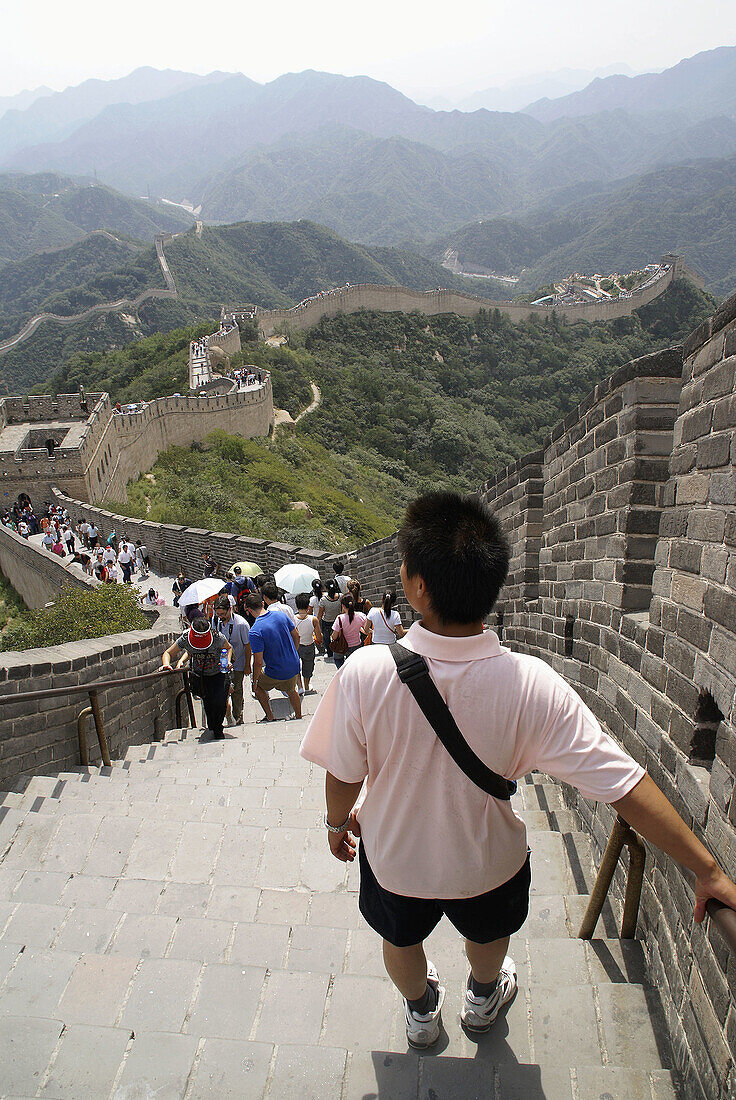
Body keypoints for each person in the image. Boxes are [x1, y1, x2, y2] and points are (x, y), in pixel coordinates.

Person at [299, 491, 736, 1050]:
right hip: (487, 864)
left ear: (416, 586)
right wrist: (706, 869)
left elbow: (343, 774)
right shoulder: (532, 683)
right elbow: (622, 784)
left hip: (395, 861)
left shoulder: (364, 673)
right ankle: (482, 1002)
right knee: (488, 936)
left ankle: (421, 1013)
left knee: (400, 939)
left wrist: (338, 825)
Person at [161, 616, 233, 739]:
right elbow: (168, 653)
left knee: (220, 702)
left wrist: (227, 660)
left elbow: (228, 647)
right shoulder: (185, 639)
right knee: (208, 703)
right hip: (201, 677)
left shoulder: (217, 637)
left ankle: (218, 728)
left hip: (218, 674)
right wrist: (166, 664)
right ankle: (213, 726)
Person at [246, 592, 302, 722]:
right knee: (291, 689)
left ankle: (270, 716)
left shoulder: (255, 631)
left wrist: (254, 681)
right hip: (293, 665)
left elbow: (258, 662)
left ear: (248, 610)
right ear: (262, 603)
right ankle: (299, 715)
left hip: (276, 670)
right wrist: (293, 651)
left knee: (258, 687)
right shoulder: (281, 616)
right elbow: (296, 636)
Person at [211, 593, 252, 725]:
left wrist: (247, 665)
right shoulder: (215, 621)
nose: (221, 617)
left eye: (223, 614)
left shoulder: (241, 624)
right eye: (218, 614)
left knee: (237, 691)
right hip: (220, 663)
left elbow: (247, 645)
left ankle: (238, 716)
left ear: (230, 609)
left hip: (238, 663)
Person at [295, 591, 322, 693]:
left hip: (296, 646)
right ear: (307, 605)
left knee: (296, 666)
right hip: (309, 646)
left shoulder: (292, 619)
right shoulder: (313, 619)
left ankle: (300, 686)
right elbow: (319, 637)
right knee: (308, 666)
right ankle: (307, 685)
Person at [331, 594, 367, 669]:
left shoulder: (340, 618)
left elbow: (334, 636)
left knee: (337, 659)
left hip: (342, 646)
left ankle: (342, 672)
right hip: (356, 645)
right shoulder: (361, 616)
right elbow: (366, 630)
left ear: (343, 606)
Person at [317, 581, 342, 660]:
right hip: (338, 620)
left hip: (327, 621)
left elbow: (320, 613)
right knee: (338, 637)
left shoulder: (323, 600)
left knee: (326, 638)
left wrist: (317, 623)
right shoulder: (340, 596)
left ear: (326, 588)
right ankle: (339, 651)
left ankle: (329, 653)